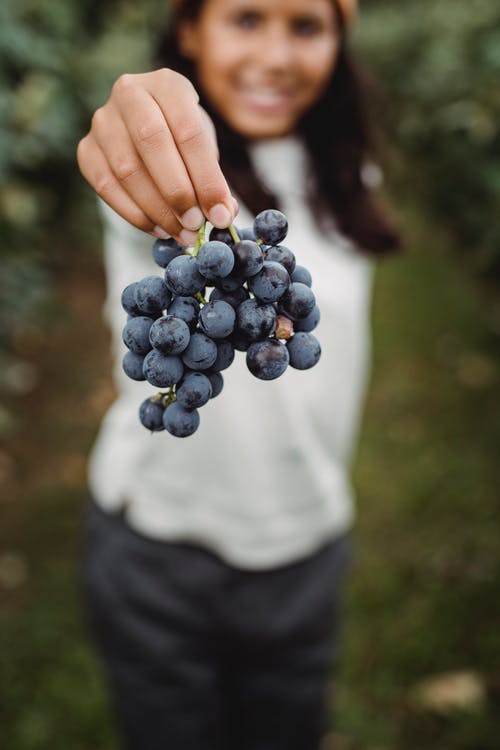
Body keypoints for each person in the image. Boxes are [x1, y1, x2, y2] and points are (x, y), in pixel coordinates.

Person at [76, 1, 400, 749]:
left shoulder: (345, 174)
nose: (276, 55)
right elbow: (133, 146)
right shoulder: (175, 193)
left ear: (340, 40)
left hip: (306, 543)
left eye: (307, 25)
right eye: (246, 18)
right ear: (189, 30)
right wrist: (138, 112)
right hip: (154, 548)